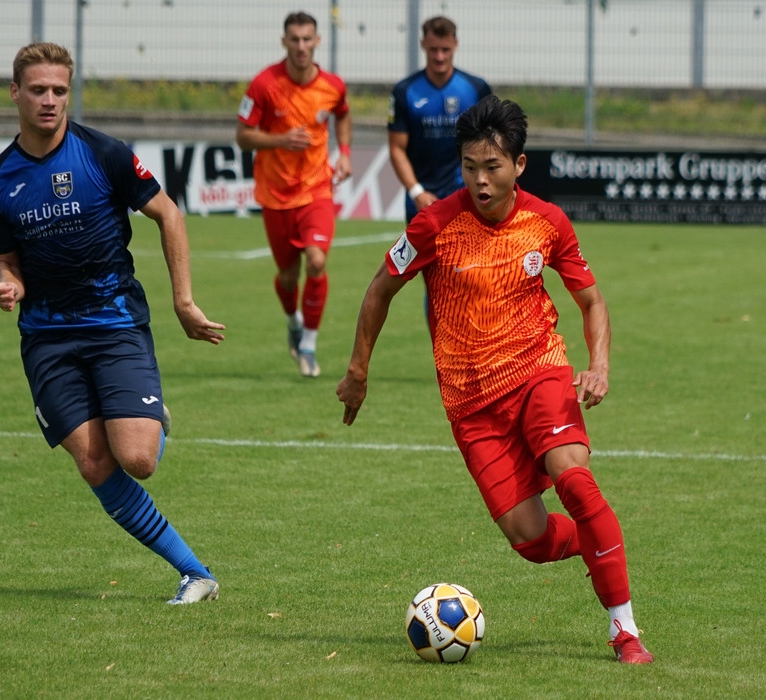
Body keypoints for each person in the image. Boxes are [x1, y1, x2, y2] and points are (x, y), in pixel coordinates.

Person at [337, 95, 654, 664]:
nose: (480, 180)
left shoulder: (547, 222)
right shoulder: (434, 224)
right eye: (469, 167)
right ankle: (601, 540)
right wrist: (358, 370)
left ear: (519, 164)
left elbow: (592, 301)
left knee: (574, 482)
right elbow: (380, 289)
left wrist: (599, 365)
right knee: (530, 539)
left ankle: (624, 631)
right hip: (471, 404)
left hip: (539, 371)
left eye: (492, 167)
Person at [0, 42, 226, 605]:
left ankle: (150, 420)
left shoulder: (104, 153)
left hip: (114, 322)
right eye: (37, 90)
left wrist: (183, 302)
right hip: (46, 337)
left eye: (59, 90)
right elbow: (7, 260)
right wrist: (8, 284)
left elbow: (169, 213)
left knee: (137, 460)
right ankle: (195, 574)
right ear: (15, 93)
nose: (49, 100)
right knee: (93, 463)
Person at [236, 11, 352, 378]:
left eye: (307, 39)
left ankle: (309, 346)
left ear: (317, 41)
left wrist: (344, 153)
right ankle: (293, 322)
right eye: (295, 39)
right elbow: (242, 136)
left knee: (316, 261)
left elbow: (343, 114)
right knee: (288, 277)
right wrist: (281, 140)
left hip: (317, 190)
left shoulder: (332, 85)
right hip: (275, 195)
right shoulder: (264, 84)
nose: (301, 46)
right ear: (284, 42)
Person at [388, 16, 491, 223]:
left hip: (466, 195)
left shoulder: (477, 89)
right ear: (423, 44)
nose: (440, 56)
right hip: (422, 199)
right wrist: (417, 192)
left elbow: (489, 144)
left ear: (456, 44)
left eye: (445, 49)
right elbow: (397, 148)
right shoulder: (405, 91)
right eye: (433, 49)